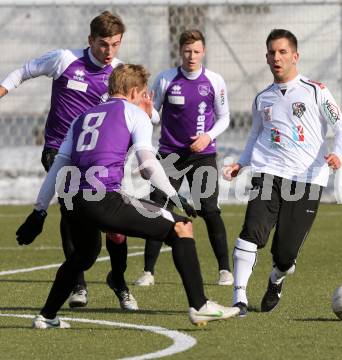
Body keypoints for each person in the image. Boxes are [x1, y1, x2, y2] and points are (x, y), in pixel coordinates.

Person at [15, 64, 240, 329]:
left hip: (71, 200)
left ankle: (47, 316)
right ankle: (200, 306)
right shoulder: (133, 113)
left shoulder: (82, 117)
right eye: (144, 93)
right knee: (182, 226)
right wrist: (175, 195)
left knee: (84, 255)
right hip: (101, 198)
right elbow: (148, 164)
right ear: (134, 91)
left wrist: (39, 211)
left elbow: (58, 167)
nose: (148, 98)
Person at [0, 11, 143, 309]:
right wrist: (3, 89)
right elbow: (25, 70)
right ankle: (78, 283)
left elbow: (138, 109)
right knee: (73, 214)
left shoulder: (118, 73)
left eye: (116, 45)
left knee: (115, 228)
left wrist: (149, 114)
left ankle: (118, 279)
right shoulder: (64, 60)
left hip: (99, 159)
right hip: (58, 151)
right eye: (104, 44)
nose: (109, 52)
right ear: (90, 40)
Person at [223, 29, 342, 316]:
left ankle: (276, 279)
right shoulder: (262, 99)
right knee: (251, 234)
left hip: (307, 180)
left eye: (282, 52)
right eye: (271, 52)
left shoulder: (316, 90)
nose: (276, 57)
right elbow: (255, 134)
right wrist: (241, 163)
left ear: (295, 56)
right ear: (267, 57)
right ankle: (239, 298)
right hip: (268, 173)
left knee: (285, 256)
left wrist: (337, 154)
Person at [134, 29, 233, 287]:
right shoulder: (166, 79)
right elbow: (153, 115)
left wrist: (207, 137)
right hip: (169, 156)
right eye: (187, 51)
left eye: (197, 51)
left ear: (204, 52)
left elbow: (225, 118)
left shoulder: (215, 81)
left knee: (209, 209)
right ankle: (148, 272)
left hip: (203, 155)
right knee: (158, 207)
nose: (192, 56)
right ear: (180, 51)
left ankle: (225, 270)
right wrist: (147, 111)